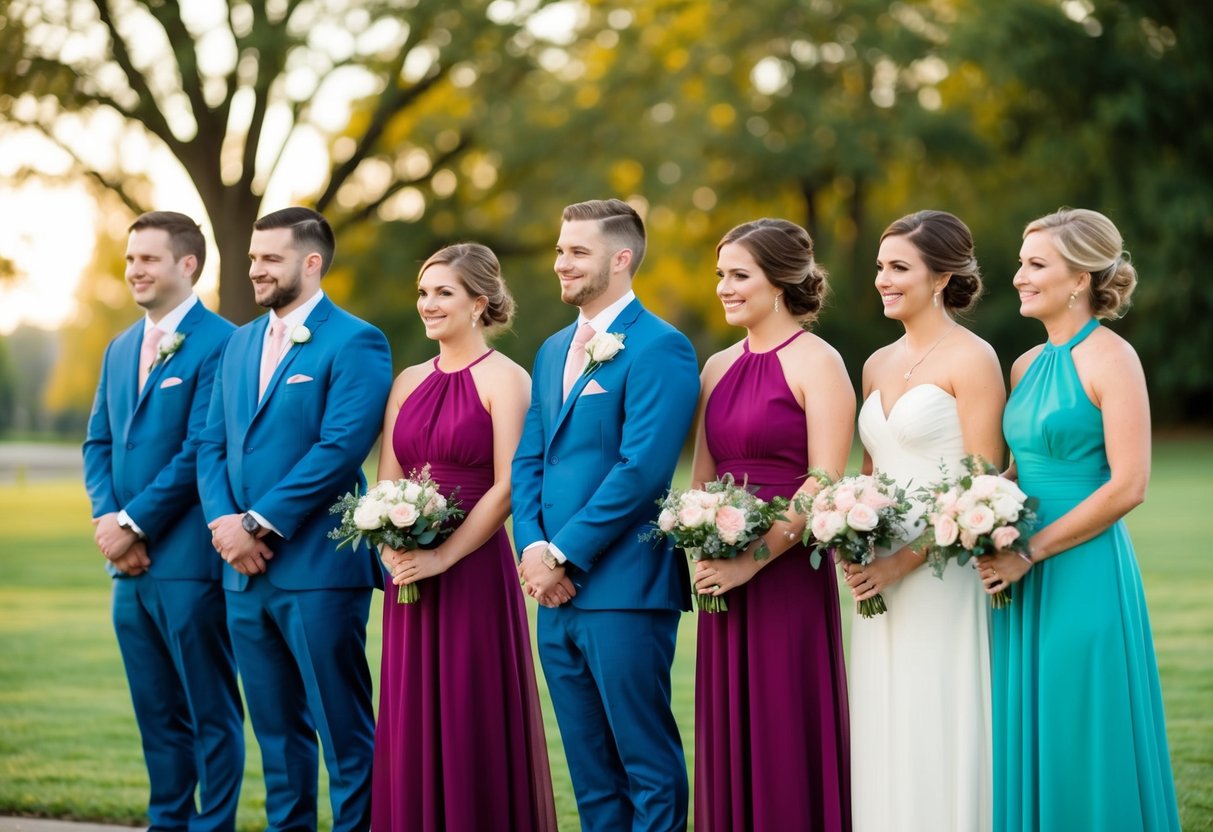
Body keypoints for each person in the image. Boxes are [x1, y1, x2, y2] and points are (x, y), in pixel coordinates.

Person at [978, 208, 1179, 831]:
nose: (1019, 276)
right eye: (1021, 262)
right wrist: (969, 510)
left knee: (1082, 724)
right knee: (1033, 719)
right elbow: (1019, 470)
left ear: (1081, 279)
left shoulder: (1113, 358)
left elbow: (1130, 485)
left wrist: (1029, 551)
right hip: (1017, 567)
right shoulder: (1025, 365)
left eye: (1036, 264)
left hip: (1080, 565)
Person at [196, 207, 393, 832]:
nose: (256, 269)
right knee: (277, 738)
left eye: (270, 259)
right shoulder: (238, 343)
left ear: (311, 263)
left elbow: (339, 448)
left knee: (343, 733)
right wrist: (226, 526)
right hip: (242, 574)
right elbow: (211, 443)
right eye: (253, 258)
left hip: (318, 572)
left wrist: (256, 523)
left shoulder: (357, 340)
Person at [512, 198, 699, 831]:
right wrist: (533, 549)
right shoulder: (551, 349)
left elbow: (641, 469)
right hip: (552, 593)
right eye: (560, 250)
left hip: (624, 588)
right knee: (589, 769)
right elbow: (529, 459)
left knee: (644, 761)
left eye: (577, 252)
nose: (561, 263)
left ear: (620, 259)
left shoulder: (662, 347)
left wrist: (562, 553)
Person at [371, 243, 557, 830]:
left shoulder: (507, 378)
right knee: (409, 713)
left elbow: (508, 485)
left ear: (479, 303)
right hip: (408, 572)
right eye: (423, 293)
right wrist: (389, 541)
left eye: (443, 293)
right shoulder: (407, 381)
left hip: (472, 572)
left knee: (468, 710)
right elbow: (386, 480)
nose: (428, 304)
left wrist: (444, 556)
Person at [690, 218, 854, 831]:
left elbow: (824, 480)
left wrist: (751, 559)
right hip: (721, 574)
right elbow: (701, 477)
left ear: (780, 282)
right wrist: (702, 542)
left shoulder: (819, 362)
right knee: (728, 728)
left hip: (786, 573)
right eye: (721, 275)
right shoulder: (715, 367)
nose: (724, 288)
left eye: (739, 275)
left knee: (784, 726)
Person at [843, 210, 1004, 832]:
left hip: (943, 571)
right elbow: (868, 472)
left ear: (940, 277)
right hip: (878, 576)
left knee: (936, 711)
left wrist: (900, 564)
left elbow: (982, 487)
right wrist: (848, 534)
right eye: (880, 266)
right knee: (884, 713)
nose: (883, 279)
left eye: (899, 267)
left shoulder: (973, 358)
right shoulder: (876, 364)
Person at [83, 210, 243, 831]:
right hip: (127, 568)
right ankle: (167, 821)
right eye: (130, 259)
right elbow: (99, 442)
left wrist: (133, 523)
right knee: (154, 710)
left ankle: (214, 825)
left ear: (188, 264)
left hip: (188, 560)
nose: (134, 270)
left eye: (148, 258)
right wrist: (109, 522)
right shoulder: (121, 347)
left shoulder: (223, 342)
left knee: (210, 709)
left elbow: (199, 449)